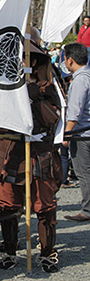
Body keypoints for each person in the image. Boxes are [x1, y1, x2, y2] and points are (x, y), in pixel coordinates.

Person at [0, 40, 62, 273]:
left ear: (34, 62)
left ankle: (47, 254)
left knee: (44, 205)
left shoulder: (46, 87)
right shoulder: (2, 89)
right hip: (11, 153)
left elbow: (52, 119)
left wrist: (33, 93)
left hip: (39, 153)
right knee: (8, 205)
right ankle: (10, 251)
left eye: (25, 59)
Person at [62, 43, 90, 222]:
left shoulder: (80, 80)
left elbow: (75, 110)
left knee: (84, 172)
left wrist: (67, 133)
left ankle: (87, 209)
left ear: (70, 60)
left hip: (82, 133)